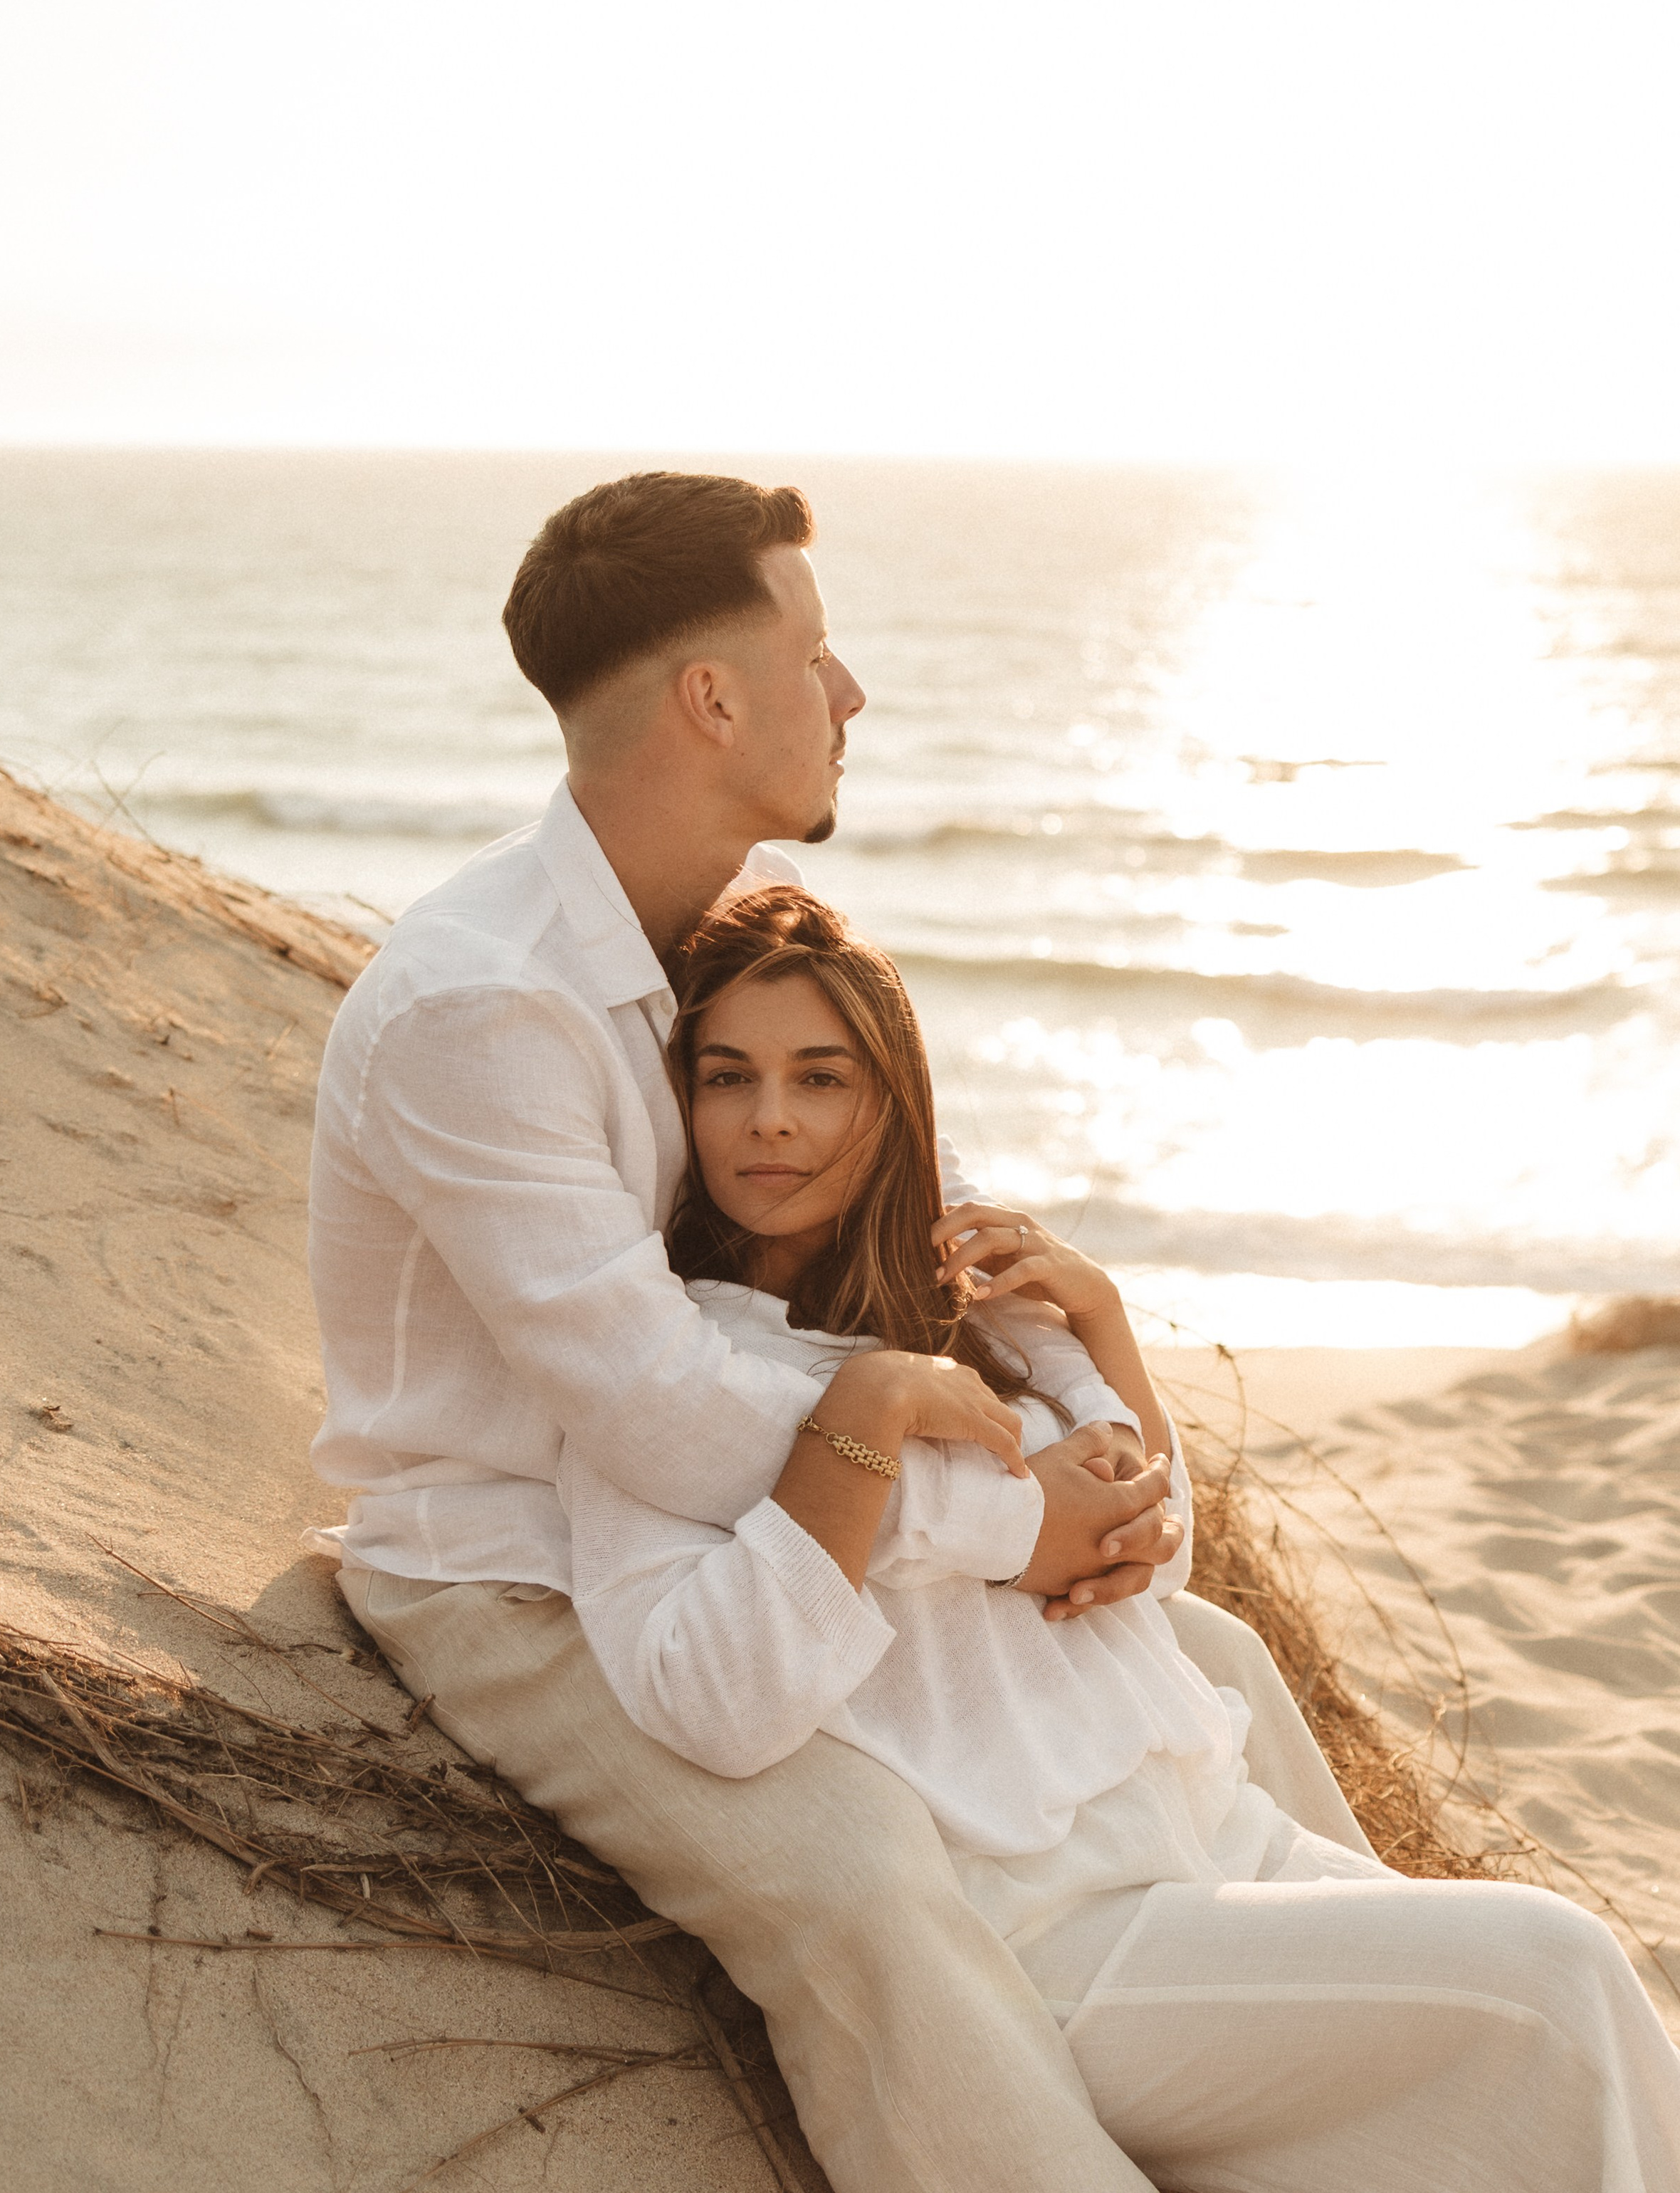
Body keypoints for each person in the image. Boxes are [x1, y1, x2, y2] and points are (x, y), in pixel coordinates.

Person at [307, 469, 1372, 2193]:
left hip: (748, 1507)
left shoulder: (688, 952)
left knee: (1215, 1667)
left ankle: (1384, 2046)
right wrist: (1017, 1527)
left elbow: (912, 1242)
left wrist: (1078, 1371)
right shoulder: (482, 1003)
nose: (851, 690)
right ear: (710, 699)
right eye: (815, 648)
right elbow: (654, 1412)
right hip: (522, 1566)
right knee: (861, 1872)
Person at [562, 881, 1680, 2193]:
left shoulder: (978, 1317)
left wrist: (1103, 1328)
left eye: (823, 1078)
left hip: (1222, 1845)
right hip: (1063, 1934)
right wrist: (862, 1424)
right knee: (1559, 1976)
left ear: (892, 1103)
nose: (771, 1120)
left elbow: (1163, 1555)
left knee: (1585, 2043)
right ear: (681, 1102)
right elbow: (717, 1700)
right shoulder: (679, 1378)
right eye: (727, 1076)